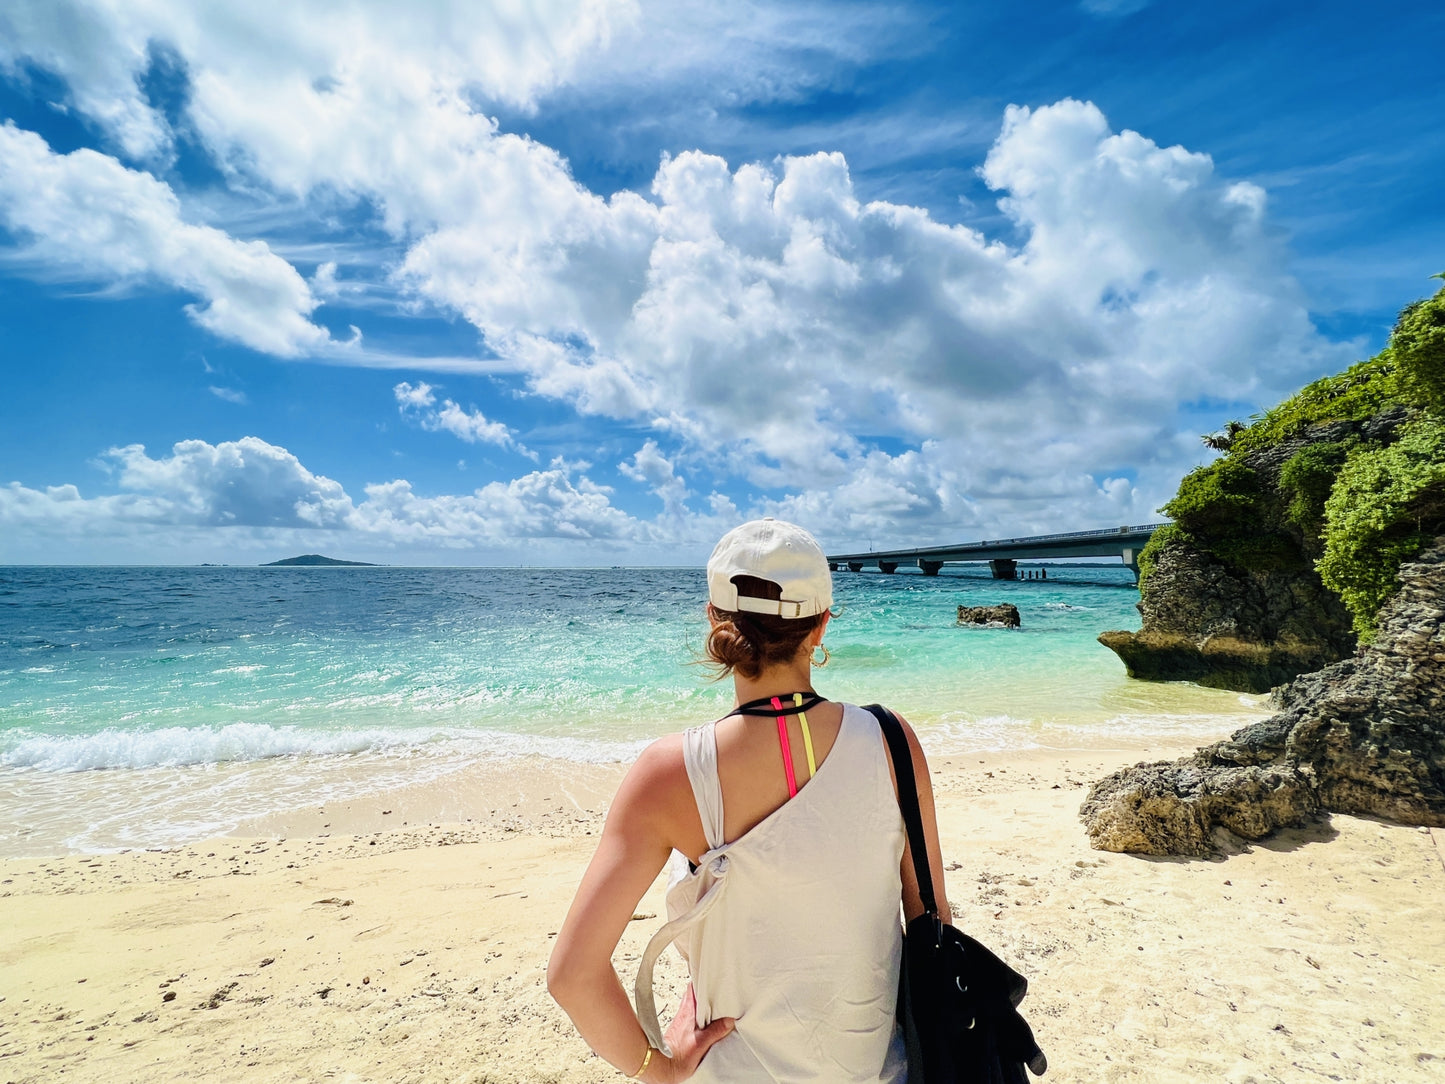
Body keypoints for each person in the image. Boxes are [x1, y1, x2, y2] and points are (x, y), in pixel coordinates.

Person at [548, 518, 951, 1082]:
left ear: (715, 619)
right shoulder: (891, 740)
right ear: (821, 627)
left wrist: (658, 1069)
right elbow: (930, 918)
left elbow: (573, 975)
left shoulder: (670, 773)